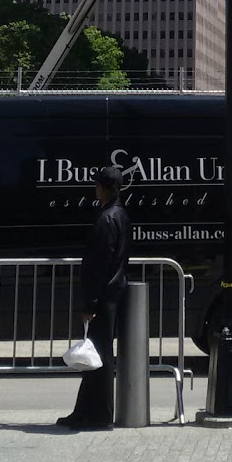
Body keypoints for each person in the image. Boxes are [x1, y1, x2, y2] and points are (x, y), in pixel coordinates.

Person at [57, 163, 131, 431]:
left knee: (97, 356)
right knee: (96, 355)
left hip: (102, 297)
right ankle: (86, 411)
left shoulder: (105, 219)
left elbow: (98, 265)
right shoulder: (119, 214)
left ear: (103, 188)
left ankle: (98, 415)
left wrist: (90, 304)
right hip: (112, 293)